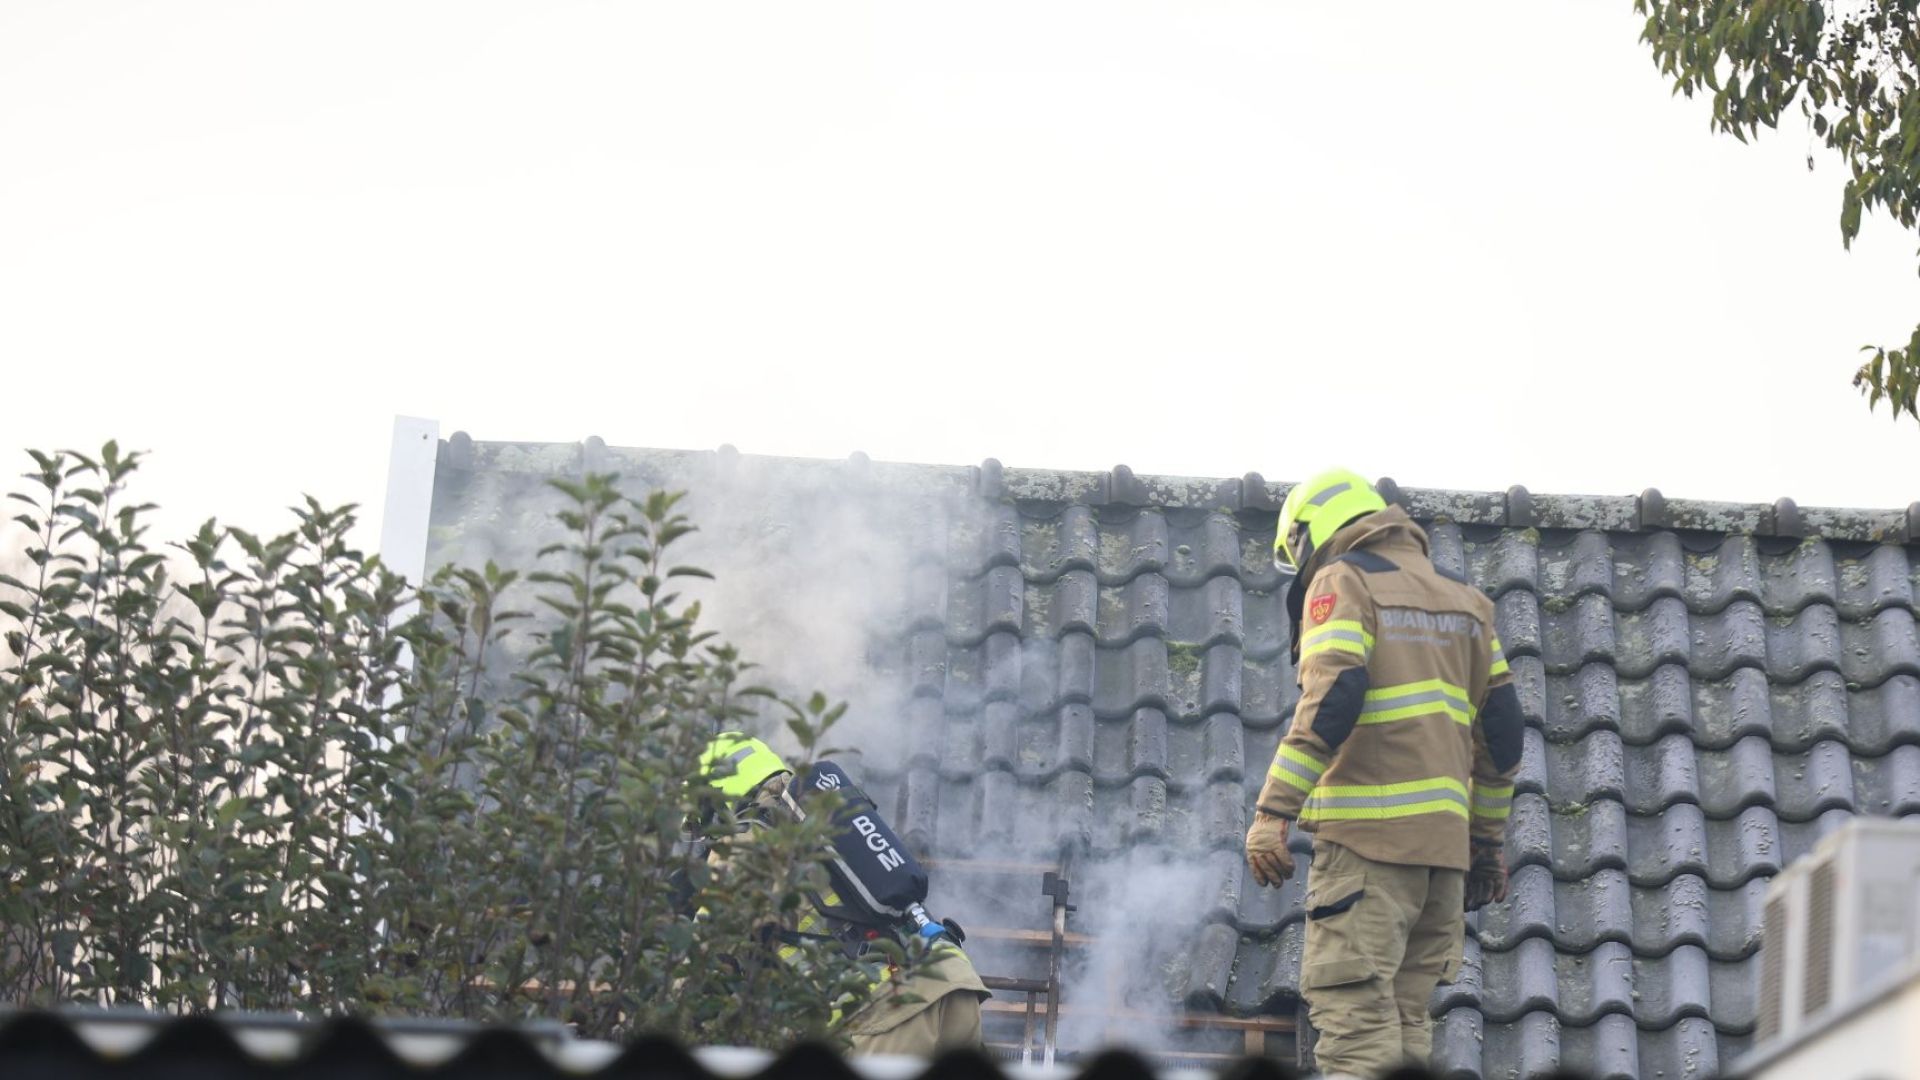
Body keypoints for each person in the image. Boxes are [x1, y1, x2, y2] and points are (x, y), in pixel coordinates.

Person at [1242, 469, 1524, 1077]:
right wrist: (1484, 844)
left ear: (1311, 532)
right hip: (1441, 866)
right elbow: (1503, 735)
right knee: (1405, 1024)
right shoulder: (1467, 602)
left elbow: (1334, 696)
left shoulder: (1344, 580)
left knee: (1356, 1032)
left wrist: (1272, 813)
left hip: (1369, 854)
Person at [700, 732, 991, 1057]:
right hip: (953, 981)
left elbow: (699, 967)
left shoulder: (742, 848)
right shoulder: (832, 812)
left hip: (888, 1011)